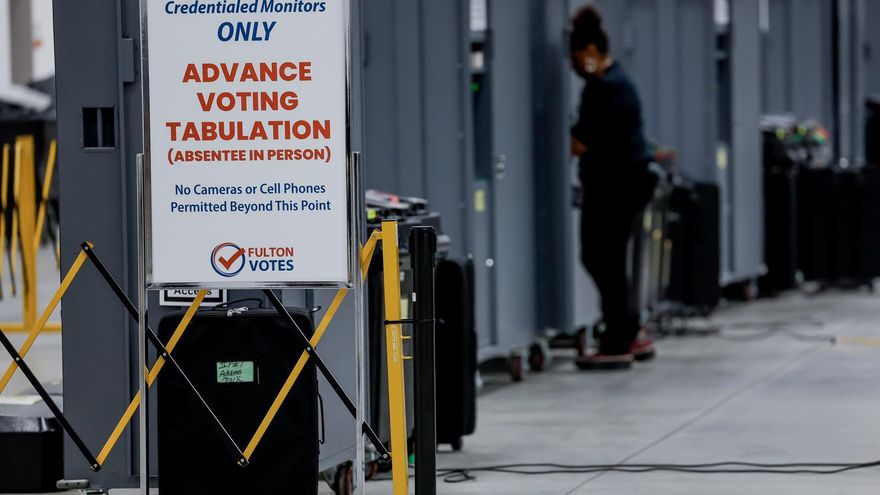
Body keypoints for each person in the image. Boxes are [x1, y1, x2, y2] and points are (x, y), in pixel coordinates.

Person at [569, 6, 656, 370]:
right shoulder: (619, 81)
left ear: (591, 51)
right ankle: (629, 331)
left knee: (599, 258)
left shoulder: (602, 88)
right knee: (613, 261)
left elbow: (581, 143)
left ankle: (617, 340)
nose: (575, 67)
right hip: (629, 184)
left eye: (577, 59)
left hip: (613, 187)